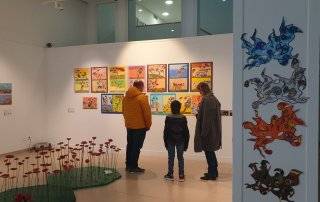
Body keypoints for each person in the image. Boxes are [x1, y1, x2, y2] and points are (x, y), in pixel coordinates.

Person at [194, 82, 222, 181]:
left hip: (209, 133)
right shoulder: (212, 98)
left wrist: (203, 133)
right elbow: (207, 116)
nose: (199, 93)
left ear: (202, 89)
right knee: (210, 152)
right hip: (212, 131)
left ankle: (212, 174)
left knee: (209, 152)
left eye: (199, 91)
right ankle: (213, 171)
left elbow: (207, 119)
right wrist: (198, 115)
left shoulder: (207, 100)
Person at [123, 80, 152, 173]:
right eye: (143, 87)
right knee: (136, 147)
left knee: (130, 145)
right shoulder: (142, 98)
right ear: (140, 86)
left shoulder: (125, 97)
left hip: (129, 126)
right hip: (140, 126)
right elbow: (147, 114)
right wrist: (148, 125)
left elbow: (123, 111)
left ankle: (128, 165)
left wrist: (127, 122)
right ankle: (134, 166)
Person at [163, 100, 190, 182]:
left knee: (171, 157)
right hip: (181, 140)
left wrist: (165, 142)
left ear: (171, 108)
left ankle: (170, 174)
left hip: (170, 140)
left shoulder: (168, 117)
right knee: (180, 158)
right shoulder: (183, 117)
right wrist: (186, 144)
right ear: (179, 107)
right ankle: (181, 175)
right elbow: (186, 132)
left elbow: (166, 131)